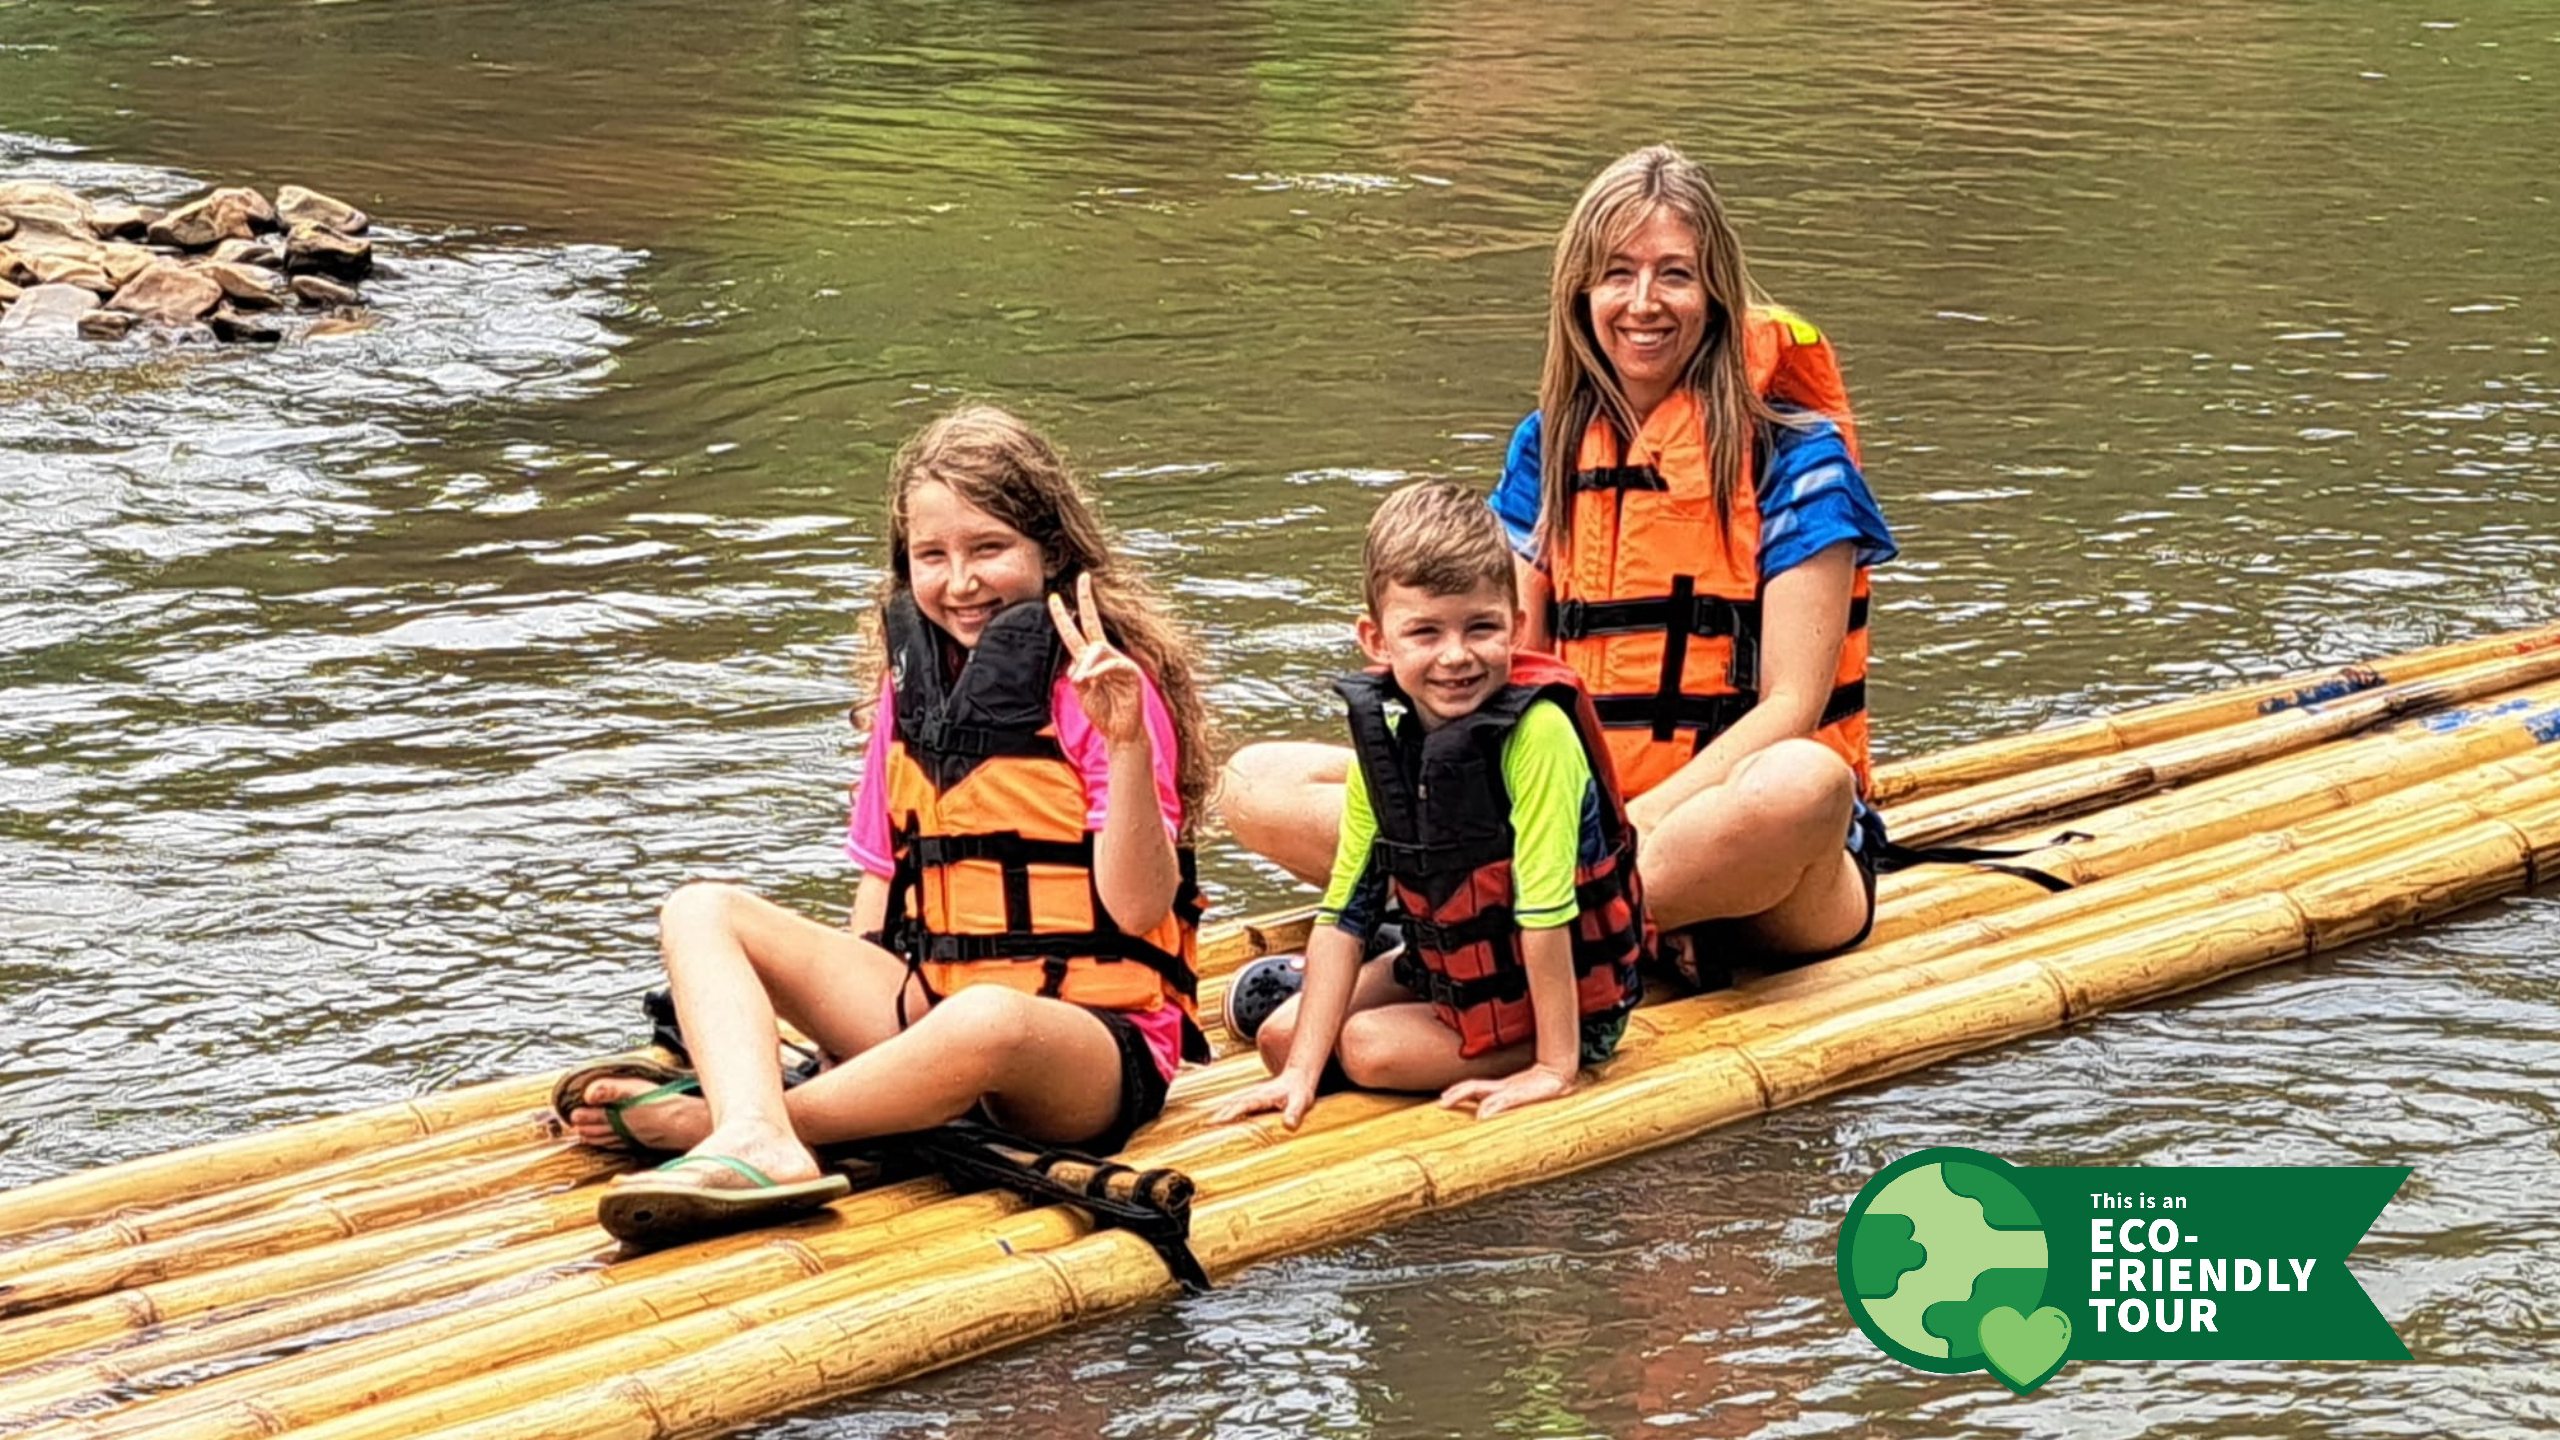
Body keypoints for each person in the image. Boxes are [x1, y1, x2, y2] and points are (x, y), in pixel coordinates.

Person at [1221, 143, 1896, 988]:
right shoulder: (1548, 446)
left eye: (1674, 275)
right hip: (1558, 825)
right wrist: (1494, 809)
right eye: (1617, 273)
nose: (1643, 303)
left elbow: (1793, 706)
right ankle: (1583, 929)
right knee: (1256, 781)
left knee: (1806, 782)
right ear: (1581, 291)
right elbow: (1507, 659)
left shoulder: (1801, 457)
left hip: (1721, 843)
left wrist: (1620, 831)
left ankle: (1459, 947)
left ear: (1716, 290)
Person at [560, 404, 1215, 1245]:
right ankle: (758, 1127)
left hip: (1082, 1049)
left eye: (989, 549)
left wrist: (1125, 743)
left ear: (1050, 553)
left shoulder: (1108, 689)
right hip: (929, 1006)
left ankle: (733, 1126)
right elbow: (880, 894)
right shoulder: (913, 692)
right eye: (931, 557)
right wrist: (855, 1043)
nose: (961, 582)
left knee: (987, 1016)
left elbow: (1136, 908)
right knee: (701, 908)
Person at [1211, 481, 1647, 1129]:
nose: (1456, 656)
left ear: (1517, 626)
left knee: (1363, 1047)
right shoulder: (1390, 741)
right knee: (1281, 1039)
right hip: (1451, 968)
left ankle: (1556, 1045)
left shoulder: (1539, 735)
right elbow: (1344, 915)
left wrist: (1556, 1067)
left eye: (1481, 627)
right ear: (1377, 640)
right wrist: (1300, 1074)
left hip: (1569, 1002)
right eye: (1424, 632)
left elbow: (1546, 910)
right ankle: (1380, 1027)